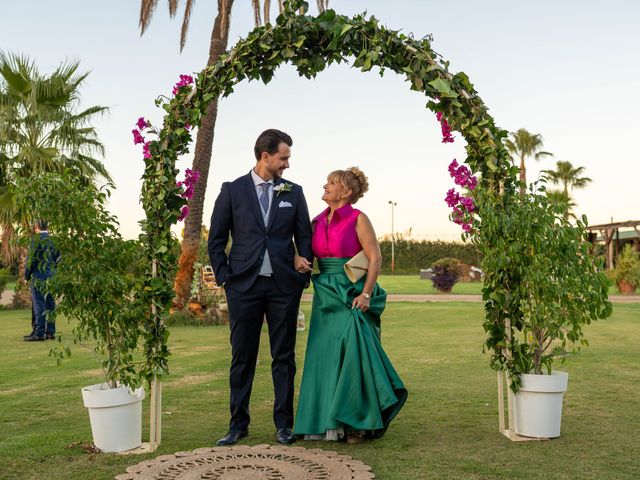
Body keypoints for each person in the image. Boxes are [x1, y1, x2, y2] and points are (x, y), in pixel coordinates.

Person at [208, 129, 313, 446]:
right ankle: (237, 425)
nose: (287, 165)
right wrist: (225, 277)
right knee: (242, 357)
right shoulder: (232, 190)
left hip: (283, 287)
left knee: (284, 357)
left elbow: (304, 237)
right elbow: (216, 239)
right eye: (284, 158)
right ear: (265, 156)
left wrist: (302, 264)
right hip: (243, 287)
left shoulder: (293, 192)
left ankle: (284, 425)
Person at [293, 167, 407, 443]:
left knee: (354, 353)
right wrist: (298, 258)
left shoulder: (359, 219)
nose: (326, 185)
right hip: (325, 296)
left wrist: (366, 294)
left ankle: (357, 423)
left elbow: (375, 258)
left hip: (352, 293)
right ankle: (324, 421)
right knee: (325, 356)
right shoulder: (316, 221)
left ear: (346, 192)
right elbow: (301, 250)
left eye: (331, 183)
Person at [24, 220, 58, 342]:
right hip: (51, 277)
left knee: (39, 305)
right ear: (48, 226)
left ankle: (39, 333)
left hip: (39, 277)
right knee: (50, 304)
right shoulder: (54, 241)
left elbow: (31, 260)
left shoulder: (36, 240)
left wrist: (26, 277)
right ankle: (50, 331)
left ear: (36, 226)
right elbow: (58, 259)